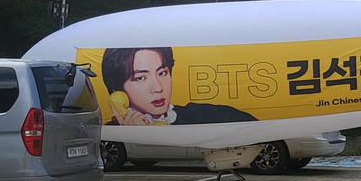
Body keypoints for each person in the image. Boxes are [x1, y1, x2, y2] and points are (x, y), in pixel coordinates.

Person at [102, 47, 258, 125]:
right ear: (118, 91)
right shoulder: (108, 132)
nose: (158, 88)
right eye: (140, 78)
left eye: (162, 73)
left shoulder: (206, 115)